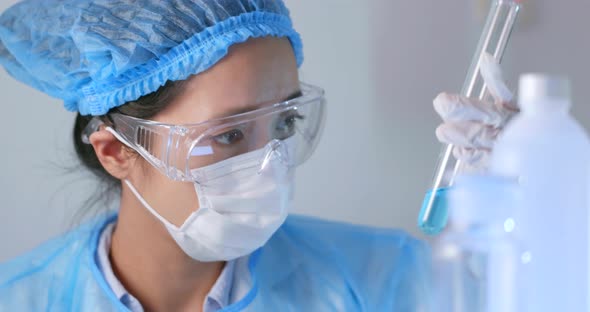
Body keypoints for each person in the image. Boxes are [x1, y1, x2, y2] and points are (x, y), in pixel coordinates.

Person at [0, 0, 515, 311]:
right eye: (228, 135)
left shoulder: (380, 278)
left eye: (284, 123)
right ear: (116, 151)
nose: (270, 164)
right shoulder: (20, 300)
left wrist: (525, 218)